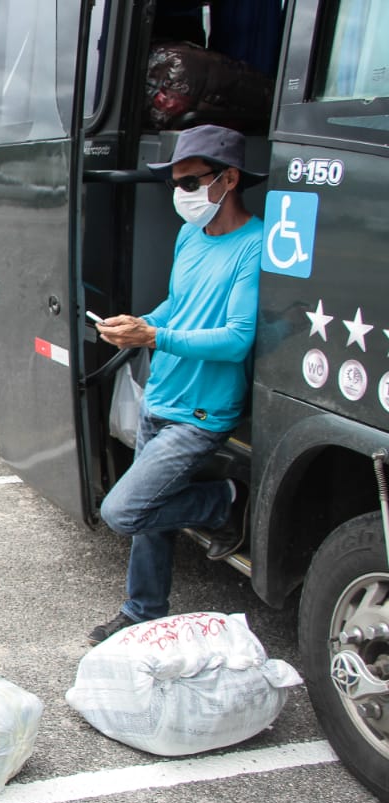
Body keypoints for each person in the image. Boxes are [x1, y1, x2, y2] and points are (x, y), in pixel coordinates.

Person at [88, 124, 264, 644]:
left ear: (229, 179)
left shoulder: (255, 245)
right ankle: (143, 610)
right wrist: (137, 325)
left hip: (202, 411)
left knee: (123, 510)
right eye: (175, 184)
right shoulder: (191, 235)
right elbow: (179, 307)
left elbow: (236, 339)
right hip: (161, 396)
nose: (180, 195)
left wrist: (156, 335)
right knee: (151, 520)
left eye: (190, 182)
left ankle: (225, 502)